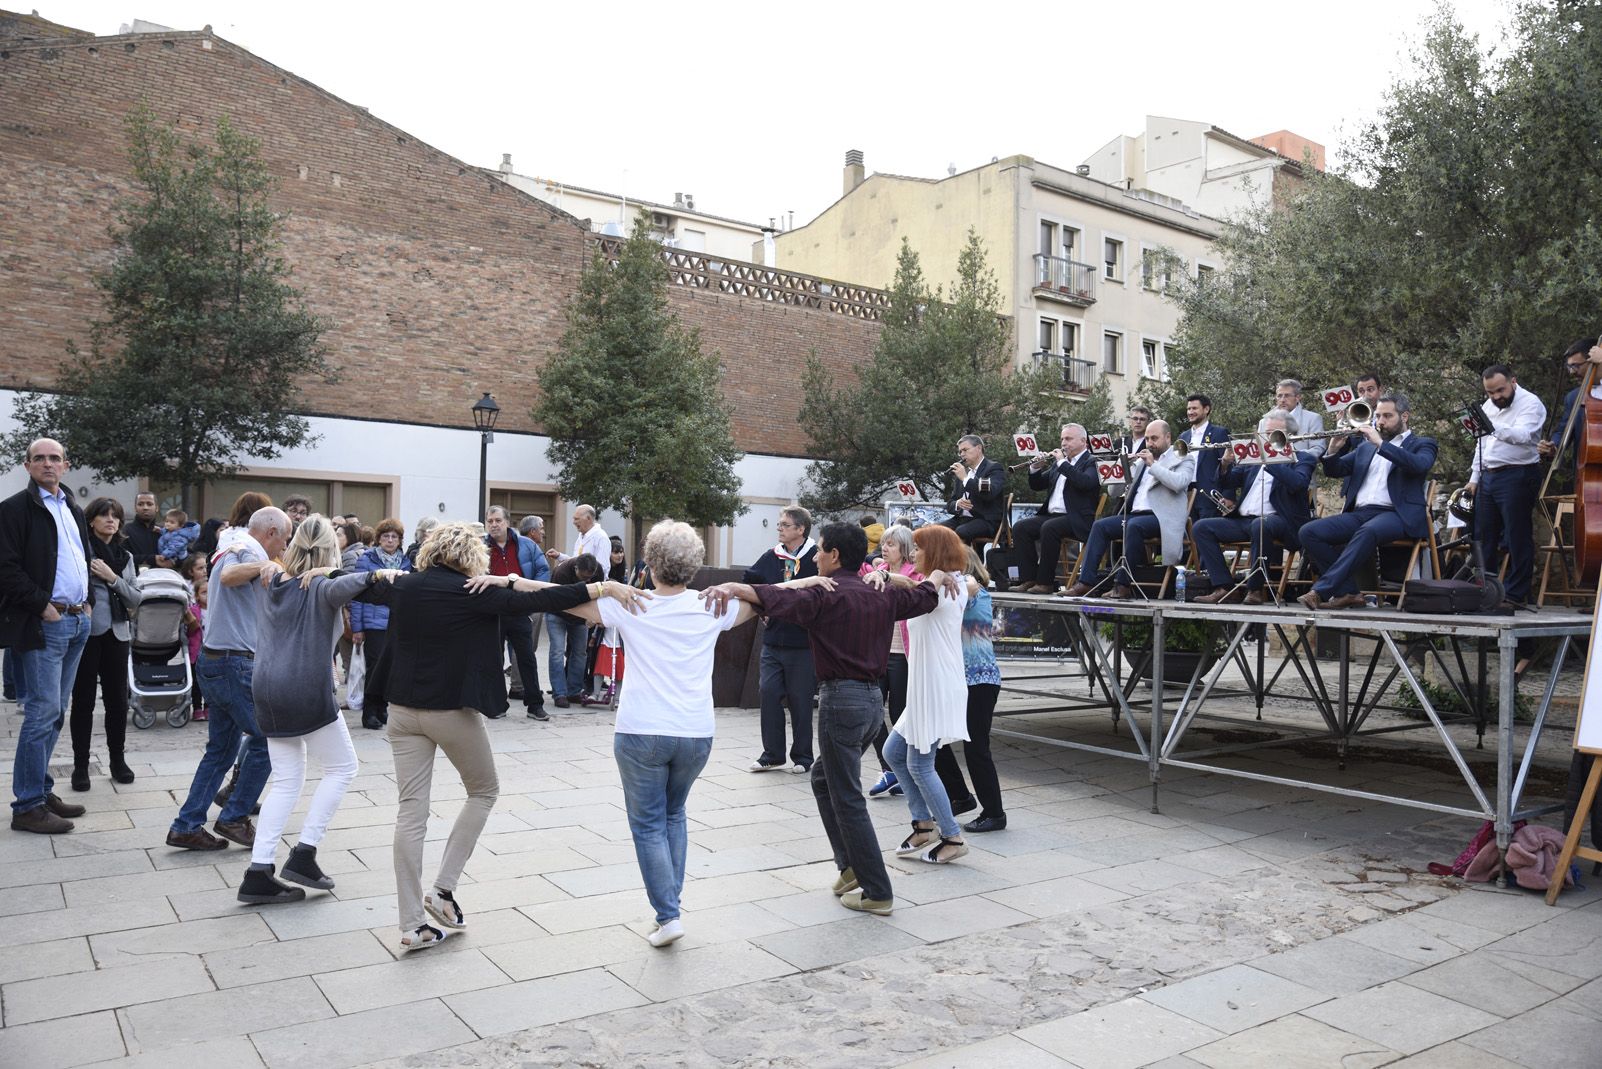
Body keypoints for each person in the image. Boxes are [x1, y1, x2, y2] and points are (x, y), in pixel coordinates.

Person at [370, 521, 644, 951]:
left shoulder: (404, 586)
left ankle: (410, 924)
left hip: (401, 712)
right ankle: (442, 890)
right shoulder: (473, 591)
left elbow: (362, 583)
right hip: (450, 712)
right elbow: (553, 597)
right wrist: (601, 589)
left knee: (410, 813)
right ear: (468, 556)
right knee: (483, 791)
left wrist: (320, 572)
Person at [517, 520, 765, 946]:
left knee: (649, 824)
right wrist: (738, 589)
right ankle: (671, 906)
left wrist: (511, 580)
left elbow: (554, 597)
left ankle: (668, 915)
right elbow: (766, 602)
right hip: (694, 731)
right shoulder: (712, 605)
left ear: (648, 564)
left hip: (641, 730)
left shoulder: (629, 602)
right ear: (693, 567)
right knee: (674, 815)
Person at [702, 522, 952, 917]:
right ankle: (850, 867)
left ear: (834, 555)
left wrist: (735, 588)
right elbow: (925, 596)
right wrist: (937, 575)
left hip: (842, 702)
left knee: (848, 796)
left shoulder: (827, 594)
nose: (816, 557)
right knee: (824, 779)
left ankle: (877, 890)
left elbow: (769, 598)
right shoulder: (878, 591)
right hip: (872, 703)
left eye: (819, 551)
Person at [237, 515, 401, 904]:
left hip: (266, 686)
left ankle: (259, 871)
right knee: (343, 767)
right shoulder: (325, 587)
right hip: (305, 688)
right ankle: (305, 852)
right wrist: (353, 573)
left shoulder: (273, 580)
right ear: (332, 550)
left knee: (287, 780)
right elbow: (369, 580)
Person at [166, 506, 292, 850]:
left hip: (216, 660)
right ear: (270, 533)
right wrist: (266, 565)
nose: (284, 548)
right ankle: (234, 817)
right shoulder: (250, 550)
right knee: (271, 740)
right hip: (234, 664)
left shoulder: (234, 541)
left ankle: (186, 826)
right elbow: (228, 577)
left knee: (220, 752)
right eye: (284, 540)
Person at [1, 438, 93, 834]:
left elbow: (83, 556)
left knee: (55, 713)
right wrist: (43, 605)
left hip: (76, 620)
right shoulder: (14, 510)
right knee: (40, 714)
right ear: (27, 465)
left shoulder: (71, 506)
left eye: (54, 458)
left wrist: (87, 601)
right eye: (39, 458)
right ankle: (27, 806)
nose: (47, 463)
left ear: (66, 464)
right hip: (45, 623)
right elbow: (5, 567)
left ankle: (40, 788)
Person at [876, 524, 971, 865]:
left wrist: (887, 580)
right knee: (893, 751)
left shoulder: (945, 587)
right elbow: (915, 584)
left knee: (919, 762)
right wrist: (887, 576)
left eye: (918, 548)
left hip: (936, 684)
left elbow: (916, 592)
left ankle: (952, 836)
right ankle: (923, 823)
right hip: (926, 684)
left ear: (933, 551)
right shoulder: (942, 582)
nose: (913, 553)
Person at [1298, 394, 1438, 610]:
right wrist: (1333, 449)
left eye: (1387, 416)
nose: (1380, 421)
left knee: (1368, 530)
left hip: (1397, 514)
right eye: (1378, 416)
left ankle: (1321, 590)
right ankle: (1349, 592)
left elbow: (1419, 465)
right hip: (1362, 513)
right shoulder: (1365, 447)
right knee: (1309, 532)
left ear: (1405, 416)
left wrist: (1381, 444)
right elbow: (1336, 470)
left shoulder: (1422, 444)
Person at [1192, 412, 1318, 605]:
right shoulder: (1253, 459)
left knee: (1261, 525)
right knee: (1201, 527)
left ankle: (1255, 589)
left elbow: (1298, 484)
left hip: (1280, 521)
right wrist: (1225, 463)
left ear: (1290, 435)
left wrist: (1270, 461)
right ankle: (1225, 587)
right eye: (1265, 432)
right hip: (1244, 520)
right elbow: (1227, 481)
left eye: (1274, 433)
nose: (1267, 437)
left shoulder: (1303, 458)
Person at [1063, 420, 1196, 599]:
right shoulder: (1141, 463)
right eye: (1147, 439)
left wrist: (1153, 465)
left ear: (1168, 437)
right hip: (1134, 515)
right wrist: (1122, 467)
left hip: (1162, 517)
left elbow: (1179, 483)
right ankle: (1086, 582)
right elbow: (1113, 492)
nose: (1150, 443)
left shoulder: (1183, 457)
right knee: (1100, 526)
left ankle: (1123, 585)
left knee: (1134, 526)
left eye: (1154, 438)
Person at [68, 497, 145, 791]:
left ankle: (117, 760)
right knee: (83, 702)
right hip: (87, 632)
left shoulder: (124, 557)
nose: (111, 520)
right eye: (104, 515)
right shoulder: (80, 551)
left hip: (118, 633)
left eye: (115, 516)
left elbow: (136, 597)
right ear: (91, 521)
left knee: (117, 702)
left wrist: (112, 578)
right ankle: (80, 766)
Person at [934, 546, 1006, 833]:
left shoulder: (974, 590)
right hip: (960, 680)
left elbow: (972, 584)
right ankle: (961, 797)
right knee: (934, 739)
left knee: (977, 749)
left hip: (980, 680)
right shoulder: (956, 590)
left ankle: (994, 813)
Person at [743, 505, 818, 774]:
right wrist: (762, 611)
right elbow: (749, 583)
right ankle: (772, 754)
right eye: (779, 524)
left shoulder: (816, 557)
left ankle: (803, 756)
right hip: (773, 640)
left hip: (804, 642)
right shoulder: (771, 556)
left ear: (800, 529)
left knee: (800, 698)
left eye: (785, 525)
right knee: (769, 693)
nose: (779, 529)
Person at [1465, 364, 1546, 607]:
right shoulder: (1489, 405)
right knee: (1484, 536)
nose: (1496, 397)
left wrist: (1491, 427)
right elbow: (1482, 444)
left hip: (1518, 475)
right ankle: (1486, 590)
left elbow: (1523, 435)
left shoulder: (1531, 403)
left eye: (1500, 390)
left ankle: (1514, 593)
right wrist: (1474, 478)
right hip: (1489, 475)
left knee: (1516, 535)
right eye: (1490, 393)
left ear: (1513, 381)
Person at [864, 524, 920, 799]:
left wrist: (888, 576)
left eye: (891, 544)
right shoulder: (875, 569)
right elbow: (861, 565)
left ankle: (902, 769)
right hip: (879, 650)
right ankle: (889, 769)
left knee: (899, 714)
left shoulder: (914, 573)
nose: (884, 548)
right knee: (872, 712)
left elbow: (916, 592)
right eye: (883, 543)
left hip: (903, 654)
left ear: (905, 549)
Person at [1012, 423, 1100, 594]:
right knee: (1021, 527)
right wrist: (1035, 468)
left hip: (1077, 518)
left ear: (1083, 441)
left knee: (1049, 528)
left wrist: (1061, 463)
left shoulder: (1092, 461)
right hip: (1053, 516)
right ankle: (1029, 579)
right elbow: (1037, 485)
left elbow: (1085, 483)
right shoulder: (1059, 464)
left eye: (1068, 439)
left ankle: (1045, 583)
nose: (1063, 443)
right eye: (1062, 439)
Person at [484, 507, 546, 721]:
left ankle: (535, 705)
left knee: (526, 657)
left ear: (507, 522)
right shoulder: (480, 547)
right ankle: (498, 703)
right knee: (493, 658)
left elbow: (542, 570)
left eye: (498, 520)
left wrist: (532, 594)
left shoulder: (526, 545)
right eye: (490, 520)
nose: (493, 524)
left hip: (520, 608)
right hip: (493, 610)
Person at [350, 518, 411, 730]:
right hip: (373, 622)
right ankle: (369, 712)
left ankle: (382, 707)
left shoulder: (406, 561)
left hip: (397, 621)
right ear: (379, 539)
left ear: (400, 540)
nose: (390, 540)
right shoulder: (367, 559)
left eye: (394, 536)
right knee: (374, 668)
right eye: (386, 536)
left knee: (391, 668)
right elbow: (356, 594)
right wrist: (357, 628)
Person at [546, 553, 602, 708]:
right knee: (557, 651)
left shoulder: (598, 573)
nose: (586, 581)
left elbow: (599, 596)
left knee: (580, 652)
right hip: (557, 612)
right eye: (583, 577)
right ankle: (560, 693)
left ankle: (574, 691)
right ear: (576, 568)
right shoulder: (561, 573)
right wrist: (587, 614)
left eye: (589, 578)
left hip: (581, 615)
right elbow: (560, 602)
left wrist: (595, 616)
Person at [506, 514, 550, 702]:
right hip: (529, 601)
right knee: (525, 644)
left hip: (513, 600)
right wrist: (534, 592)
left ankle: (518, 684)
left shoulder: (512, 545)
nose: (543, 532)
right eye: (541, 528)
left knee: (519, 643)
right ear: (532, 531)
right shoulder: (530, 547)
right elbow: (543, 570)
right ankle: (518, 686)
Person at [1540, 339, 1597, 473]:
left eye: (1576, 366)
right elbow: (1563, 430)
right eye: (1569, 367)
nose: (1571, 372)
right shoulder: (1574, 397)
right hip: (1587, 477)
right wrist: (1553, 446)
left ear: (1594, 361)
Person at [941, 434, 1006, 544]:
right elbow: (950, 503)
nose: (962, 454)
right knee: (932, 531)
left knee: (961, 531)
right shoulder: (963, 473)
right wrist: (958, 504)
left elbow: (989, 494)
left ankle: (967, 560)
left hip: (986, 520)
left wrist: (965, 479)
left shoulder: (993, 468)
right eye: (960, 452)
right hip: (962, 519)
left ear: (979, 448)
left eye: (965, 450)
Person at [1182, 394, 1233, 519]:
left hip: (1209, 495)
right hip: (1185, 493)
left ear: (1206, 409)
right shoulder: (1183, 437)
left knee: (1203, 532)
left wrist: (1228, 496)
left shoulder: (1219, 433)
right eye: (1189, 409)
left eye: (1194, 408)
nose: (1190, 412)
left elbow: (1228, 464)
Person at [1264, 379, 1328, 459]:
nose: (1282, 400)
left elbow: (1318, 449)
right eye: (1279, 396)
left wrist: (1293, 455)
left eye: (1287, 395)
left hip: (1300, 467)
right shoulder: (1264, 421)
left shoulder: (1313, 418)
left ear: (1298, 397)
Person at [124, 491, 161, 570]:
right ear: (135, 508)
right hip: (135, 579)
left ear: (157, 508)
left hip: (166, 579)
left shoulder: (165, 531)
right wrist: (153, 559)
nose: (145, 507)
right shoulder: (125, 531)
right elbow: (121, 558)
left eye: (149, 504)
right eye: (140, 504)